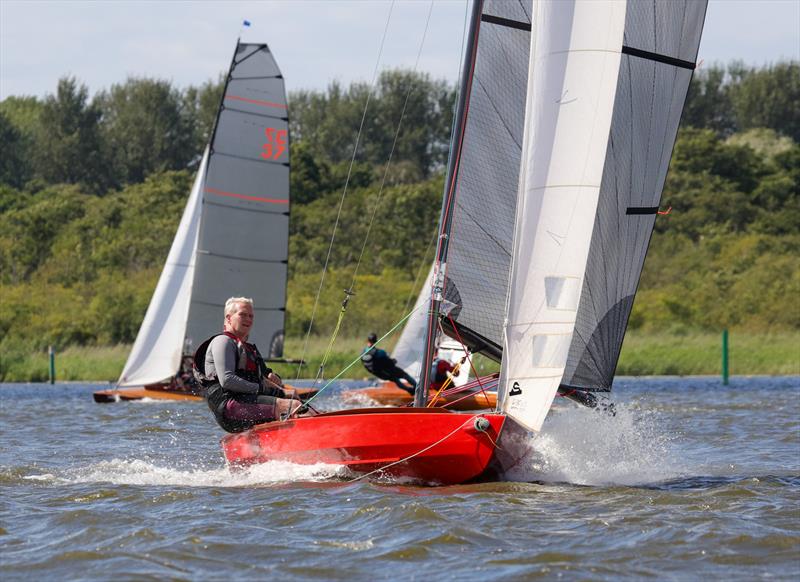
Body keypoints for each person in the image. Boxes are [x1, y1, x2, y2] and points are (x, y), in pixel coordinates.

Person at [194, 296, 308, 433]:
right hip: (230, 407)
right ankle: (317, 442)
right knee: (293, 406)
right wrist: (263, 388)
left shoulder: (248, 348)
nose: (248, 319)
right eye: (242, 314)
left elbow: (264, 379)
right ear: (229, 318)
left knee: (294, 398)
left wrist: (281, 388)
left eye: (251, 316)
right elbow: (227, 380)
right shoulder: (223, 342)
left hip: (247, 401)